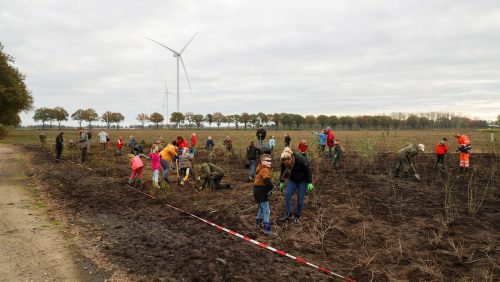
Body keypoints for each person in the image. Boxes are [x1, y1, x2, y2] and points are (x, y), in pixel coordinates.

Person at [279, 147, 313, 223]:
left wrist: (309, 182)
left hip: (302, 181)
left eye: (287, 162)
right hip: (293, 180)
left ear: (291, 158)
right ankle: (288, 213)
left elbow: (308, 170)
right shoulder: (283, 162)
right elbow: (282, 171)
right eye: (284, 162)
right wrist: (281, 181)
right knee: (287, 194)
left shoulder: (301, 160)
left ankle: (297, 216)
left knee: (300, 201)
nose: (285, 163)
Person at [253, 154, 275, 235]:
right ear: (262, 162)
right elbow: (266, 179)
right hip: (261, 191)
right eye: (267, 161)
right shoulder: (265, 169)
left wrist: (269, 188)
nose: (269, 162)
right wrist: (272, 187)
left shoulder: (260, 168)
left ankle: (257, 223)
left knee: (262, 208)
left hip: (257, 190)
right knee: (266, 210)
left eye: (270, 161)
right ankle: (267, 229)